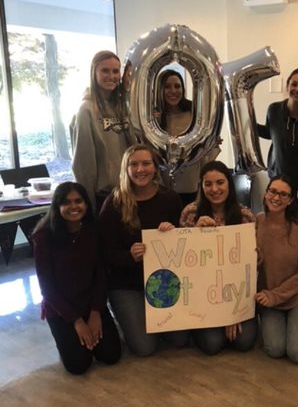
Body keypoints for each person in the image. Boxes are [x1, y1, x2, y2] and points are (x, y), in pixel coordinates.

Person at [99, 144, 188, 357]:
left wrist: (173, 233)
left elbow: (183, 244)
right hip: (127, 284)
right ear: (126, 169)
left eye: (146, 163)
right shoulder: (114, 203)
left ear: (155, 167)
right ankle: (129, 317)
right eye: (134, 164)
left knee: (181, 340)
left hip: (163, 280)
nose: (141, 169)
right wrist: (129, 256)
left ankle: (149, 319)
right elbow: (105, 252)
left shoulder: (170, 198)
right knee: (144, 348)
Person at [33, 182, 121, 375]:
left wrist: (96, 312)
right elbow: (47, 288)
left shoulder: (92, 230)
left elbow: (100, 274)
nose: (74, 207)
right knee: (78, 365)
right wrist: (77, 321)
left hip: (91, 303)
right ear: (57, 207)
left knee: (111, 355)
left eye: (78, 201)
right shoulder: (44, 236)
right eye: (66, 202)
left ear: (86, 204)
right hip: (61, 308)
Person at [180, 160, 257, 355]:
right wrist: (196, 233)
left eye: (220, 182)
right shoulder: (190, 213)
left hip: (237, 292)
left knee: (244, 342)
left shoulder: (245, 216)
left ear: (229, 184)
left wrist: (233, 312)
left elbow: (249, 267)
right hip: (203, 294)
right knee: (212, 345)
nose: (214, 189)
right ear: (201, 186)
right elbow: (183, 262)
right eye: (208, 184)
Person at [255, 174, 298, 364]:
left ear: (291, 200)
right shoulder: (257, 221)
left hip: (297, 297)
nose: (276, 198)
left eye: (283, 195)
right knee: (274, 349)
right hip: (268, 298)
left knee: (297, 353)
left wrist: (275, 295)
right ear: (266, 193)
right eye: (273, 191)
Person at [72, 50, 137, 212]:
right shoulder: (86, 110)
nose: (111, 76)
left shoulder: (122, 107)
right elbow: (83, 163)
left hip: (129, 189)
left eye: (116, 71)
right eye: (105, 70)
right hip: (104, 195)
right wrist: (88, 202)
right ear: (94, 72)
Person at [257, 68, 298, 218]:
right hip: (277, 180)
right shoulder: (273, 110)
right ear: (287, 86)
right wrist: (247, 124)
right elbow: (270, 133)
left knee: (297, 225)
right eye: (294, 84)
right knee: (274, 221)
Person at [154, 69, 220, 206]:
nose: (173, 91)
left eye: (177, 86)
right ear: (159, 89)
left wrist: (211, 143)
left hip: (191, 182)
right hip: (163, 184)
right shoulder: (153, 117)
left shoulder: (194, 113)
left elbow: (205, 148)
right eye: (167, 86)